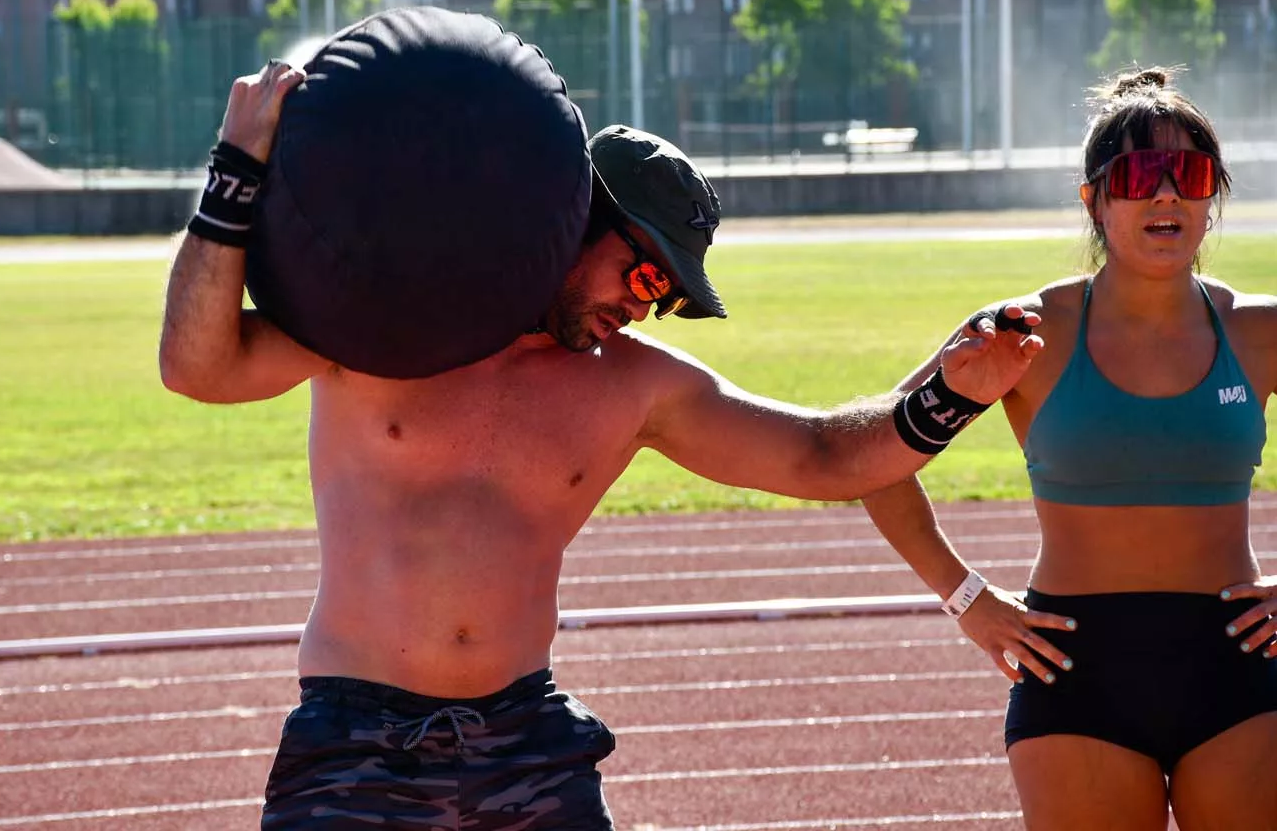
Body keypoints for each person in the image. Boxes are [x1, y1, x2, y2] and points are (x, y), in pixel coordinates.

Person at [159, 60, 1045, 830]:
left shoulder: (636, 385)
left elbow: (827, 458)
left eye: (668, 297)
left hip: (527, 745)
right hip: (355, 739)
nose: (647, 305)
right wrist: (237, 167)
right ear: (578, 214)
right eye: (650, 273)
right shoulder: (400, 310)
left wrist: (948, 395)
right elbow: (196, 368)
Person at [858, 67, 1277, 830]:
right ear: (1094, 199)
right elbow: (872, 460)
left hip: (1237, 667)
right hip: (1077, 672)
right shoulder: (1026, 332)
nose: (1166, 196)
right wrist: (966, 598)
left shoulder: (1258, 331)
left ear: (1211, 198)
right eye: (1141, 175)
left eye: (1189, 174)